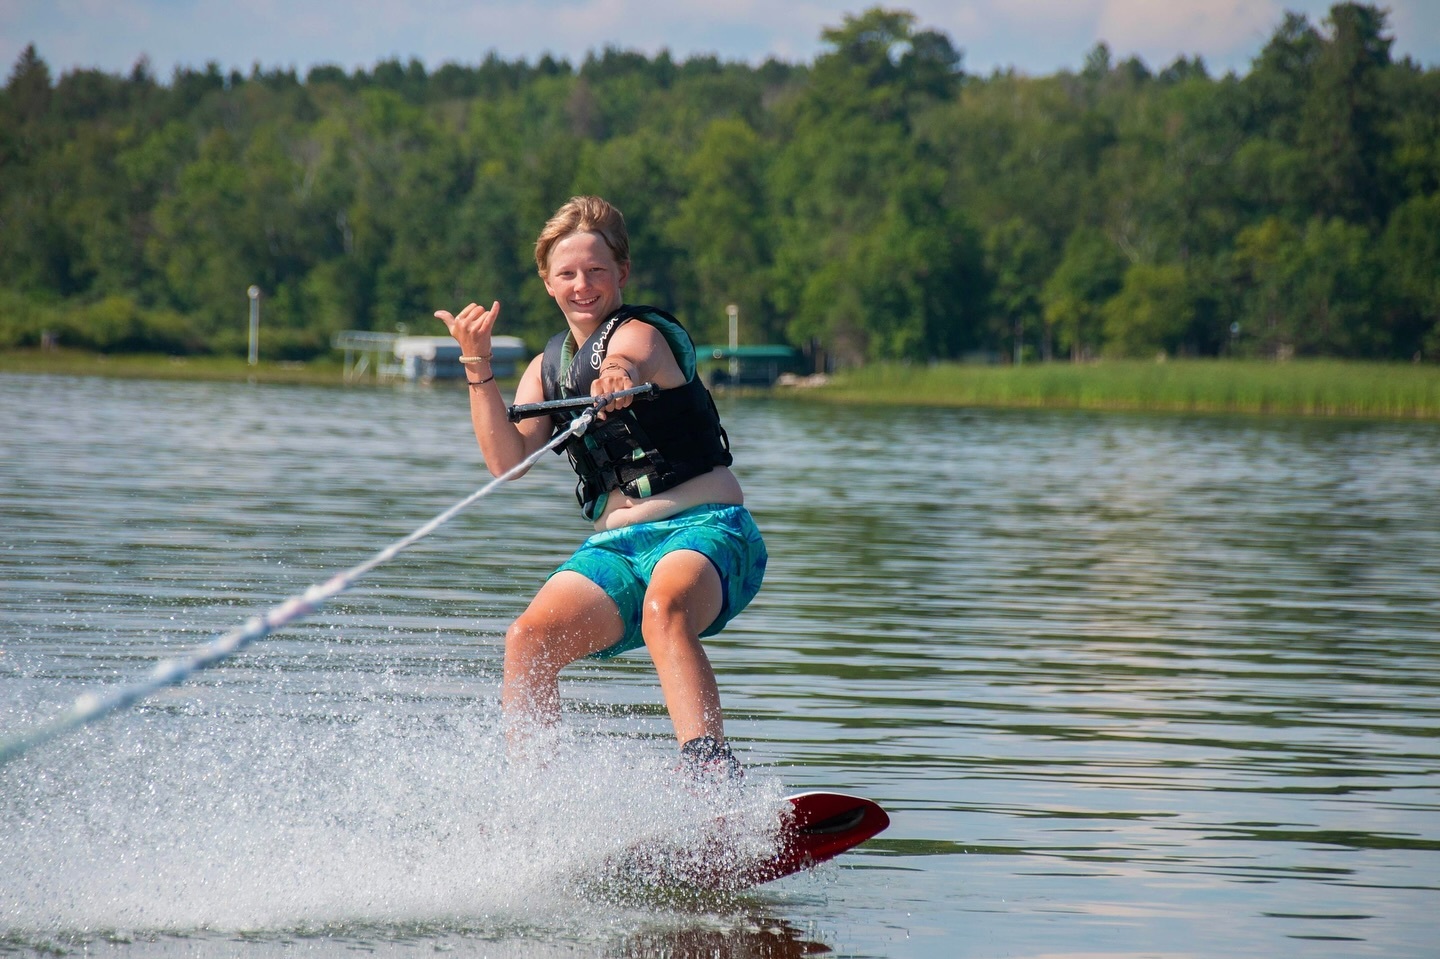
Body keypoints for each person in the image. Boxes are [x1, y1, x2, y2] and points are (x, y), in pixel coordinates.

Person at [434, 195, 766, 780]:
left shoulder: (644, 334)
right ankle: (536, 799)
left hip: (706, 531)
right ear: (547, 282)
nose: (582, 285)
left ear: (622, 273)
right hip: (616, 550)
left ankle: (711, 780)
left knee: (664, 610)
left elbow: (632, 360)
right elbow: (507, 463)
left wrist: (616, 374)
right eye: (567, 273)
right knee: (528, 639)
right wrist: (477, 366)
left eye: (596, 270)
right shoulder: (547, 367)